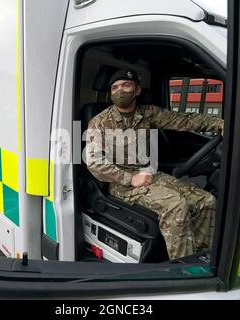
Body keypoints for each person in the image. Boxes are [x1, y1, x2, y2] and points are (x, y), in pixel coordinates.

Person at [85, 69, 224, 260]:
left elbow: (183, 120)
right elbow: (94, 162)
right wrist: (130, 178)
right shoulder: (100, 122)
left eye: (126, 85)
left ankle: (200, 256)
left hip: (150, 174)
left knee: (206, 201)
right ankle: (183, 267)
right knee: (176, 205)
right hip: (121, 184)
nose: (120, 91)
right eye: (115, 88)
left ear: (137, 90)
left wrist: (219, 123)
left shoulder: (148, 113)